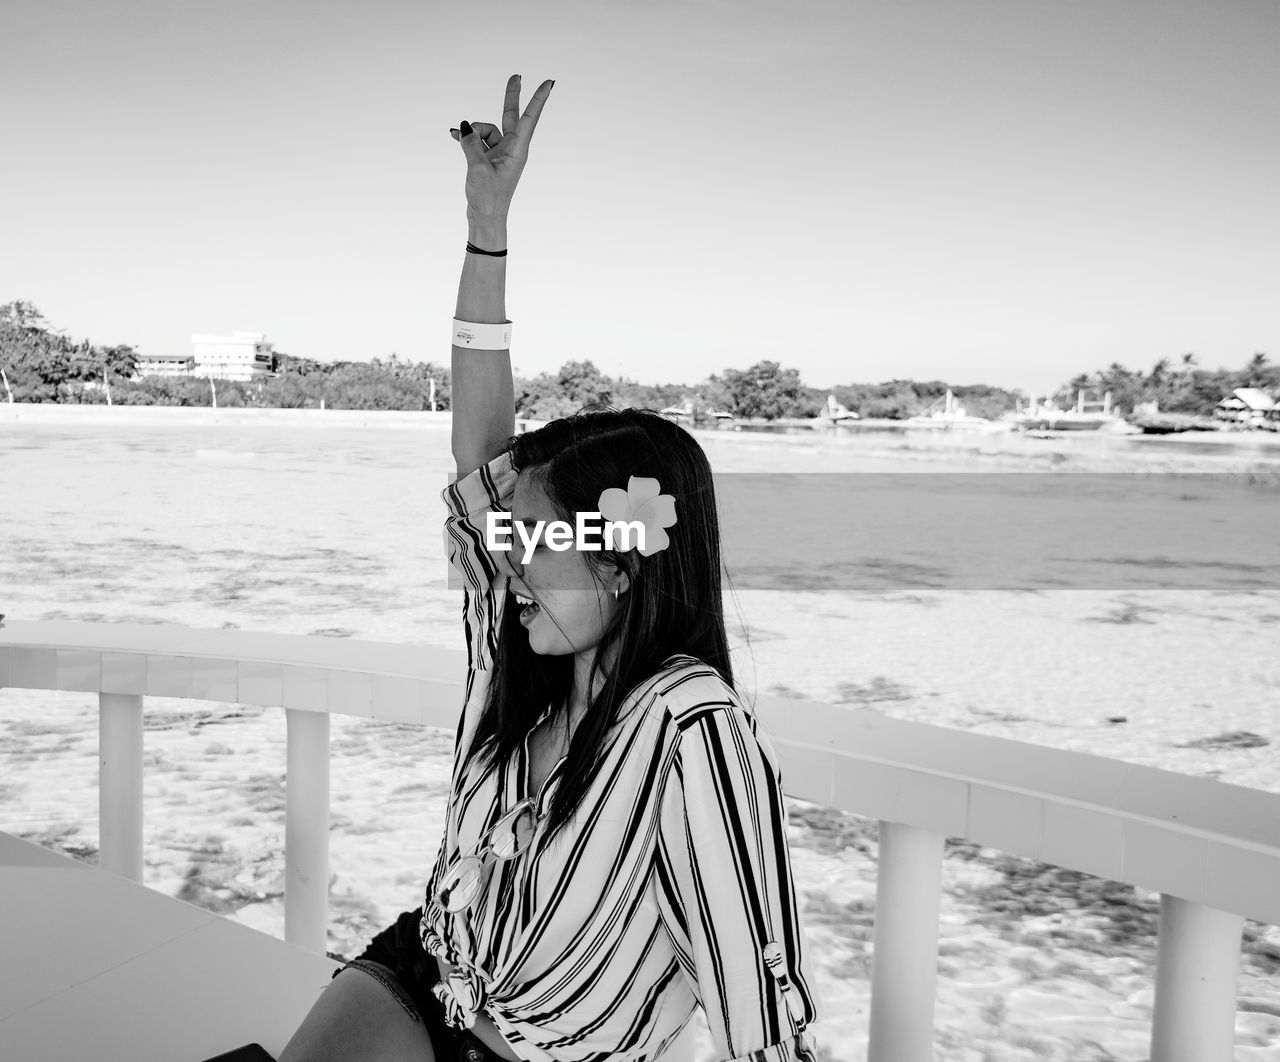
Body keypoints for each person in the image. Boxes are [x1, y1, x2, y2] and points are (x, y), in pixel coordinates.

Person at [280, 74, 820, 1062]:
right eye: (512, 537)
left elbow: (760, 1006)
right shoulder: (520, 656)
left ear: (621, 565)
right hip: (428, 974)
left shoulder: (689, 730)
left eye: (536, 539)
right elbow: (478, 459)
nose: (510, 559)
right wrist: (486, 228)